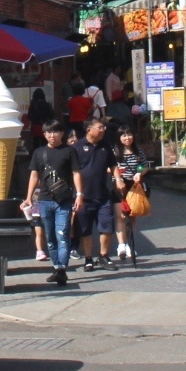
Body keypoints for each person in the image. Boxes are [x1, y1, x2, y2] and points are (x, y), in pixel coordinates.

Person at [23, 120, 79, 286]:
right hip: (45, 200)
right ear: (44, 134)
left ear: (62, 133)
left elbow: (76, 173)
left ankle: (61, 269)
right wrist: (28, 197)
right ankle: (57, 267)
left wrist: (80, 194)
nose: (52, 135)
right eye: (48, 132)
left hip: (64, 200)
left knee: (63, 234)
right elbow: (34, 175)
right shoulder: (39, 153)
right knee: (50, 237)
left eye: (55, 132)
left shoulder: (69, 151)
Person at [73, 115, 118, 270]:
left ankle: (104, 256)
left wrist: (118, 178)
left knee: (106, 226)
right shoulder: (77, 147)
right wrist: (77, 194)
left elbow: (113, 165)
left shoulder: (105, 146)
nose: (103, 130)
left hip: (103, 195)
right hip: (84, 197)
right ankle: (88, 258)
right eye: (100, 127)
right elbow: (72, 171)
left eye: (103, 127)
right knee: (85, 229)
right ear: (89, 129)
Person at [113, 123, 153, 262]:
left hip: (134, 185)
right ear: (119, 138)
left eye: (129, 134)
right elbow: (109, 168)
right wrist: (119, 175)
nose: (127, 138)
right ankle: (121, 245)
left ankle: (130, 244)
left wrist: (139, 173)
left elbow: (144, 166)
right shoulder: (115, 152)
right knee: (121, 216)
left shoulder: (138, 151)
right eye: (124, 135)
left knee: (132, 215)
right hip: (119, 186)